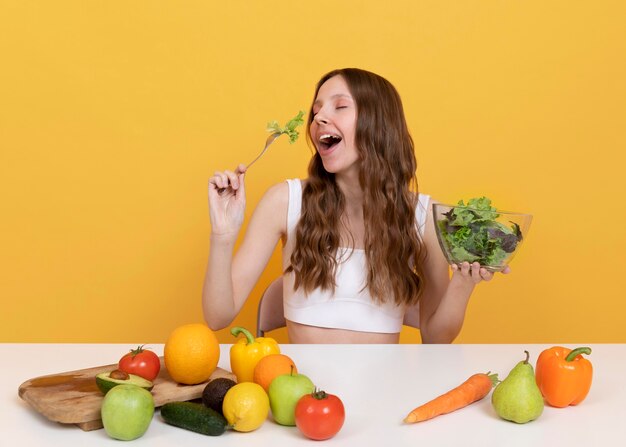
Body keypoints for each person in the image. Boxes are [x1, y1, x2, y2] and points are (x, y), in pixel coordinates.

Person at [203, 68, 508, 344]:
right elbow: (218, 317)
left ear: (377, 123)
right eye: (316, 109)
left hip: (383, 394)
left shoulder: (425, 217)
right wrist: (223, 234)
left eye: (340, 106)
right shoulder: (284, 201)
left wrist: (465, 283)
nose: (319, 117)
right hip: (304, 396)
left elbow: (436, 337)